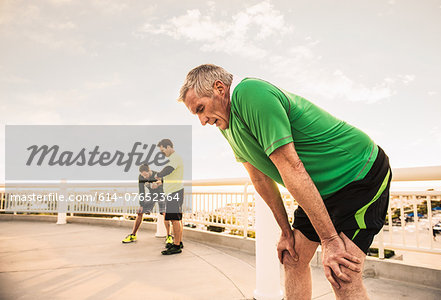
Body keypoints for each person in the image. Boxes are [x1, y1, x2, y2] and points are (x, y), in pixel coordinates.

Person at [178, 64, 392, 299]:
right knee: (292, 257)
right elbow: (259, 177)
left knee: (342, 273)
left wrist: (329, 239)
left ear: (219, 88)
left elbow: (292, 166)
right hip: (319, 189)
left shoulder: (251, 93)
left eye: (201, 109)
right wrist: (285, 232)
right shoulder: (226, 124)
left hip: (357, 173)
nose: (202, 120)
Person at [122, 164, 171, 244]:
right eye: (143, 175)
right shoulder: (141, 177)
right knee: (140, 212)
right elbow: (141, 190)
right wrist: (141, 204)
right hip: (151, 195)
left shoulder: (157, 175)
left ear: (149, 171)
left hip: (161, 194)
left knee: (165, 213)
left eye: (146, 175)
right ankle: (133, 235)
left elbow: (167, 181)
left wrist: (160, 183)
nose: (145, 177)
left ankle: (169, 236)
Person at [156, 139, 185, 255]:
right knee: (177, 218)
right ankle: (179, 241)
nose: (162, 153)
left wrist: (158, 175)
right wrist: (162, 181)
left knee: (175, 219)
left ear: (168, 147)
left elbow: (169, 170)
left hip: (174, 192)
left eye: (163, 150)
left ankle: (176, 246)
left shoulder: (175, 157)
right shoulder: (173, 158)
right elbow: (172, 174)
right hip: (174, 191)